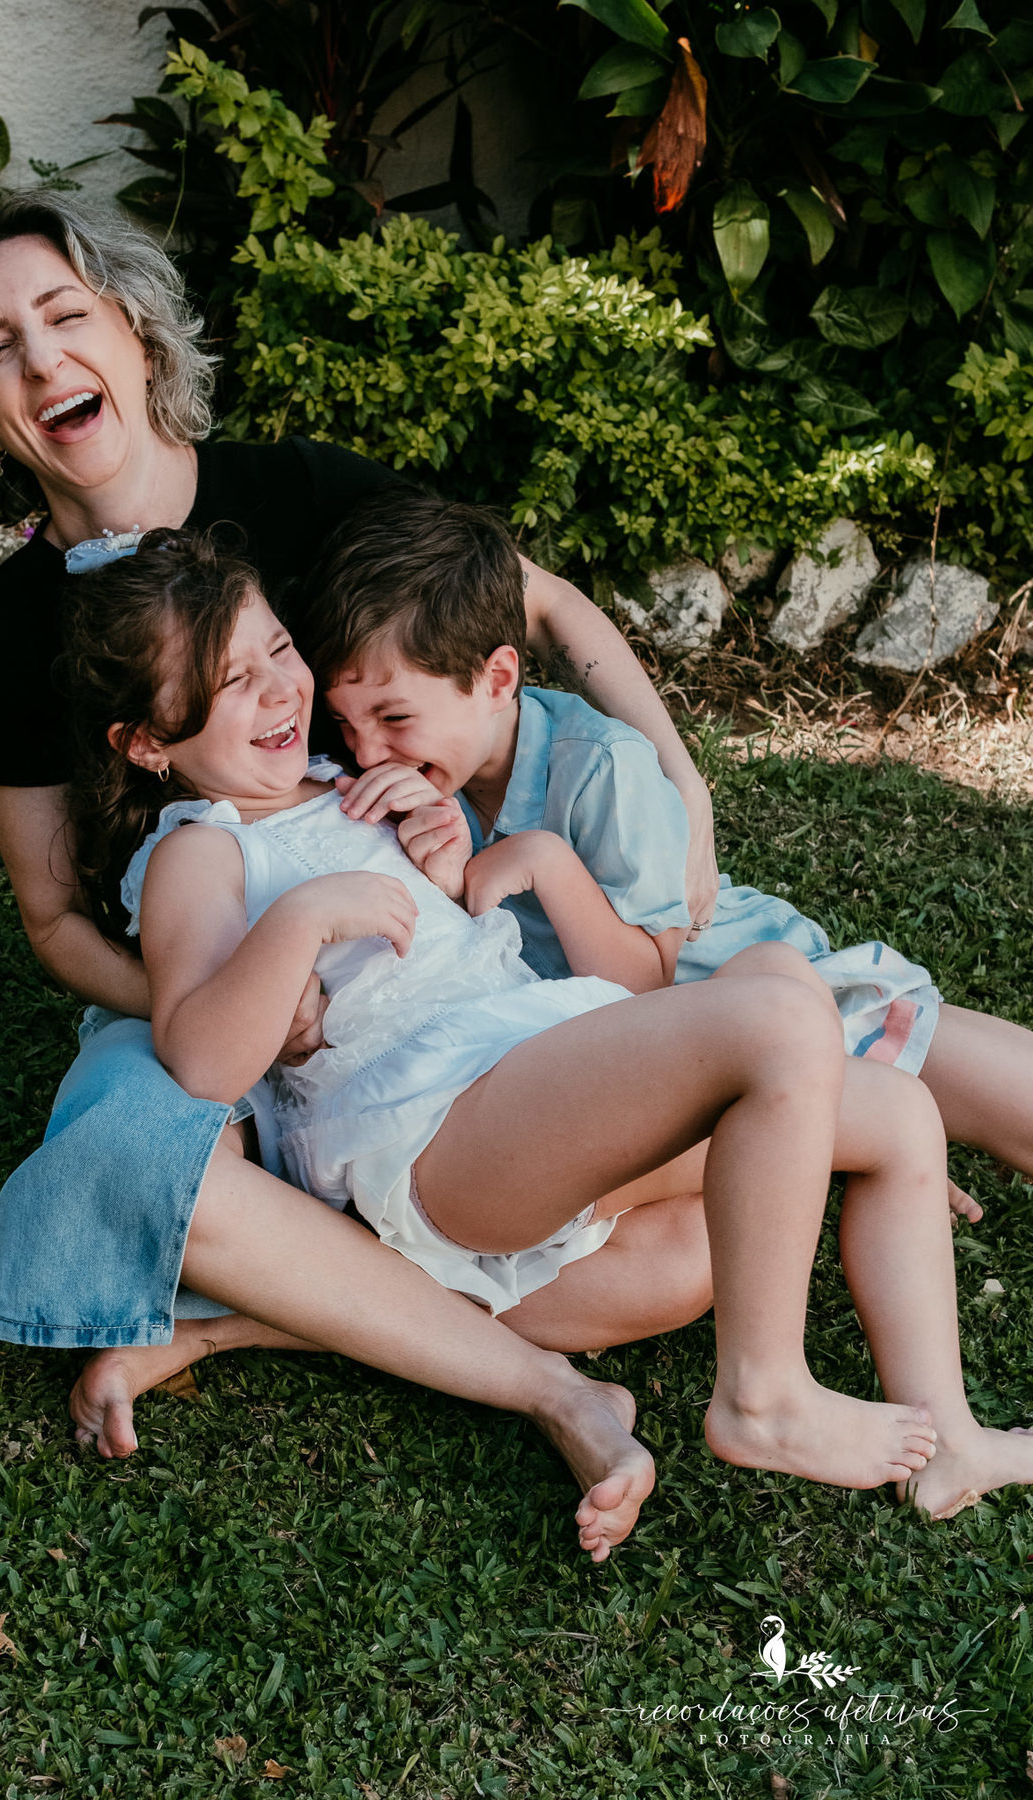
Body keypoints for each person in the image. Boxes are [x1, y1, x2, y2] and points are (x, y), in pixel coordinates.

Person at [0, 190, 724, 1532]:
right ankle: (546, 1387)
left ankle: (247, 1319)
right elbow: (49, 920)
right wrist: (220, 1006)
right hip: (188, 969)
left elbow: (535, 600)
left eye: (64, 318)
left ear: (137, 335)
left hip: (409, 931)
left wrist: (677, 776)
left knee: (690, 1260)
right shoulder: (3, 633)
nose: (40, 364)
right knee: (151, 1175)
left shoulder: (293, 491)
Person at [62, 526, 1033, 1531]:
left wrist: (440, 860)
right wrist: (305, 919)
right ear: (146, 743)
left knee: (898, 1115)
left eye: (276, 650)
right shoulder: (200, 853)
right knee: (781, 1010)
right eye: (228, 684)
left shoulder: (346, 779)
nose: (276, 690)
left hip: (515, 1070)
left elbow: (445, 939)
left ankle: (949, 1441)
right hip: (436, 1124)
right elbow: (200, 1057)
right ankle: (763, 1394)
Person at [309, 487, 1033, 1219]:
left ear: (497, 679)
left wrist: (548, 863)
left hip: (763, 991)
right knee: (848, 1121)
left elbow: (646, 989)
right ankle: (866, 1142)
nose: (367, 750)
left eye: (393, 717)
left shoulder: (601, 766)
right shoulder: (408, 788)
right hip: (673, 1068)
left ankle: (880, 1133)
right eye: (344, 723)